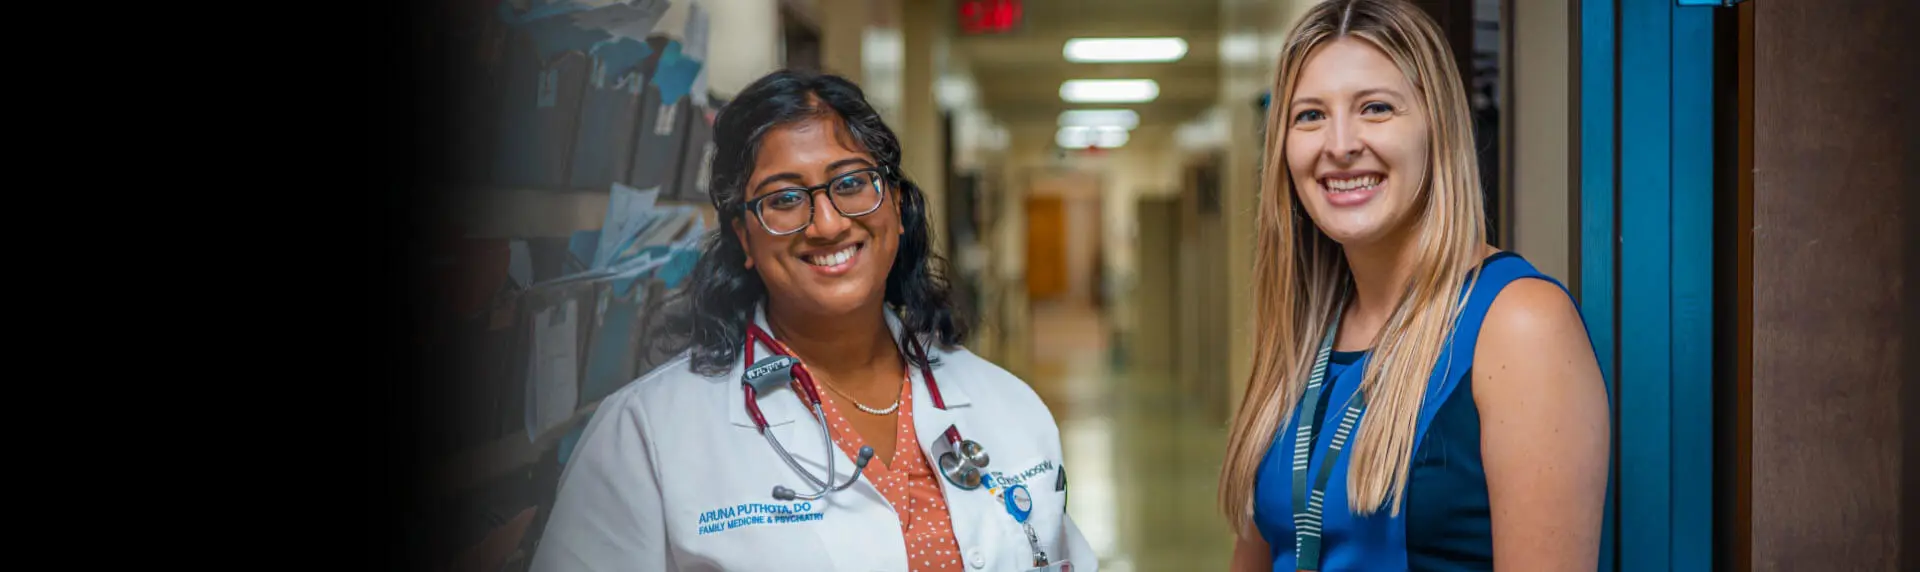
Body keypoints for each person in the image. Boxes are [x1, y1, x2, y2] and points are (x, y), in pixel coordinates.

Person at [530, 69, 1096, 572]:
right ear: (743, 238)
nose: (825, 223)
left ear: (897, 206)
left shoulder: (1009, 405)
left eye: (850, 183)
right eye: (783, 199)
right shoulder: (644, 435)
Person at [1216, 1, 1611, 570]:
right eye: (1310, 116)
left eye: (1376, 108)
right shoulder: (1305, 333)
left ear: (1436, 126)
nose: (1341, 144)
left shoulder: (1519, 325)